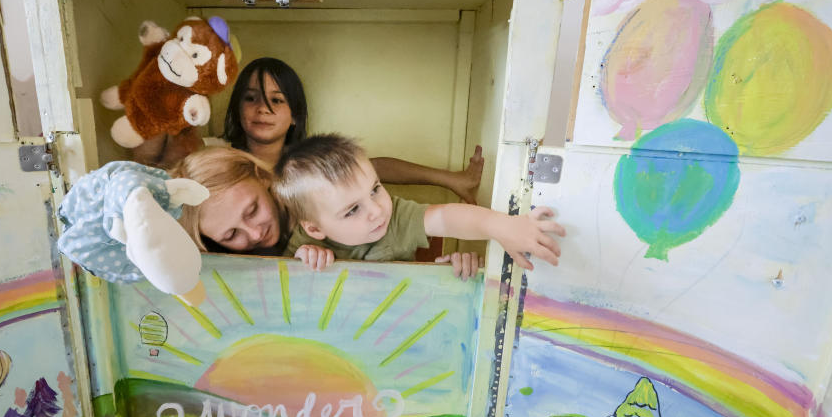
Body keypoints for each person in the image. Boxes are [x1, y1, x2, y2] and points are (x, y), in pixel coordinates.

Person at [171, 146, 484, 277]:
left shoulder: (307, 194)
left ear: (264, 178)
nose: (254, 233)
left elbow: (371, 168)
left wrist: (450, 180)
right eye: (231, 234)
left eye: (252, 210)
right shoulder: (226, 264)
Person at [272, 134, 565, 274]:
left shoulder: (395, 216)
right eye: (352, 210)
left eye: (375, 189)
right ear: (314, 228)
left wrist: (502, 226)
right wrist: (303, 265)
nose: (375, 210)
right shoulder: (304, 242)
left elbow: (447, 218)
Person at [222, 57, 484, 204]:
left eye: (277, 100)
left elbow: (375, 167)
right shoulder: (219, 159)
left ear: (295, 116)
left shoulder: (306, 167)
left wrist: (451, 180)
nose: (262, 109)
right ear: (237, 106)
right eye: (251, 98)